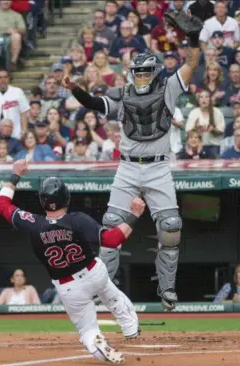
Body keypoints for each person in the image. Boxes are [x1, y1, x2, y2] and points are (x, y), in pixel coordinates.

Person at [61, 11, 202, 311]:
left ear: (154, 73)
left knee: (171, 226)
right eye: (137, 73)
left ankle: (167, 290)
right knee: (111, 226)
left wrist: (193, 38)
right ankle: (103, 291)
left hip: (158, 165)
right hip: (127, 166)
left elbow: (191, 64)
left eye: (146, 73)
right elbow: (95, 104)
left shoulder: (168, 89)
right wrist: (74, 88)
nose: (141, 78)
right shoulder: (123, 95)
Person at [0, 159, 145, 363]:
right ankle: (130, 328)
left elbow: (0, 204)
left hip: (68, 287)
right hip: (94, 272)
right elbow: (112, 240)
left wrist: (16, 175)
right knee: (112, 295)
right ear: (66, 197)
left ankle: (96, 343)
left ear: (42, 200)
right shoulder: (77, 219)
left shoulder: (33, 223)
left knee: (88, 330)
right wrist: (134, 214)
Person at [185, 90, 225, 157]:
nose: (204, 99)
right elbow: (188, 132)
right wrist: (195, 127)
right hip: (198, 147)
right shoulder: (193, 113)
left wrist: (213, 130)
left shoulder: (217, 112)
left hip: (214, 146)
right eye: (201, 97)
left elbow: (221, 131)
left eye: (206, 97)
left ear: (210, 99)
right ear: (199, 100)